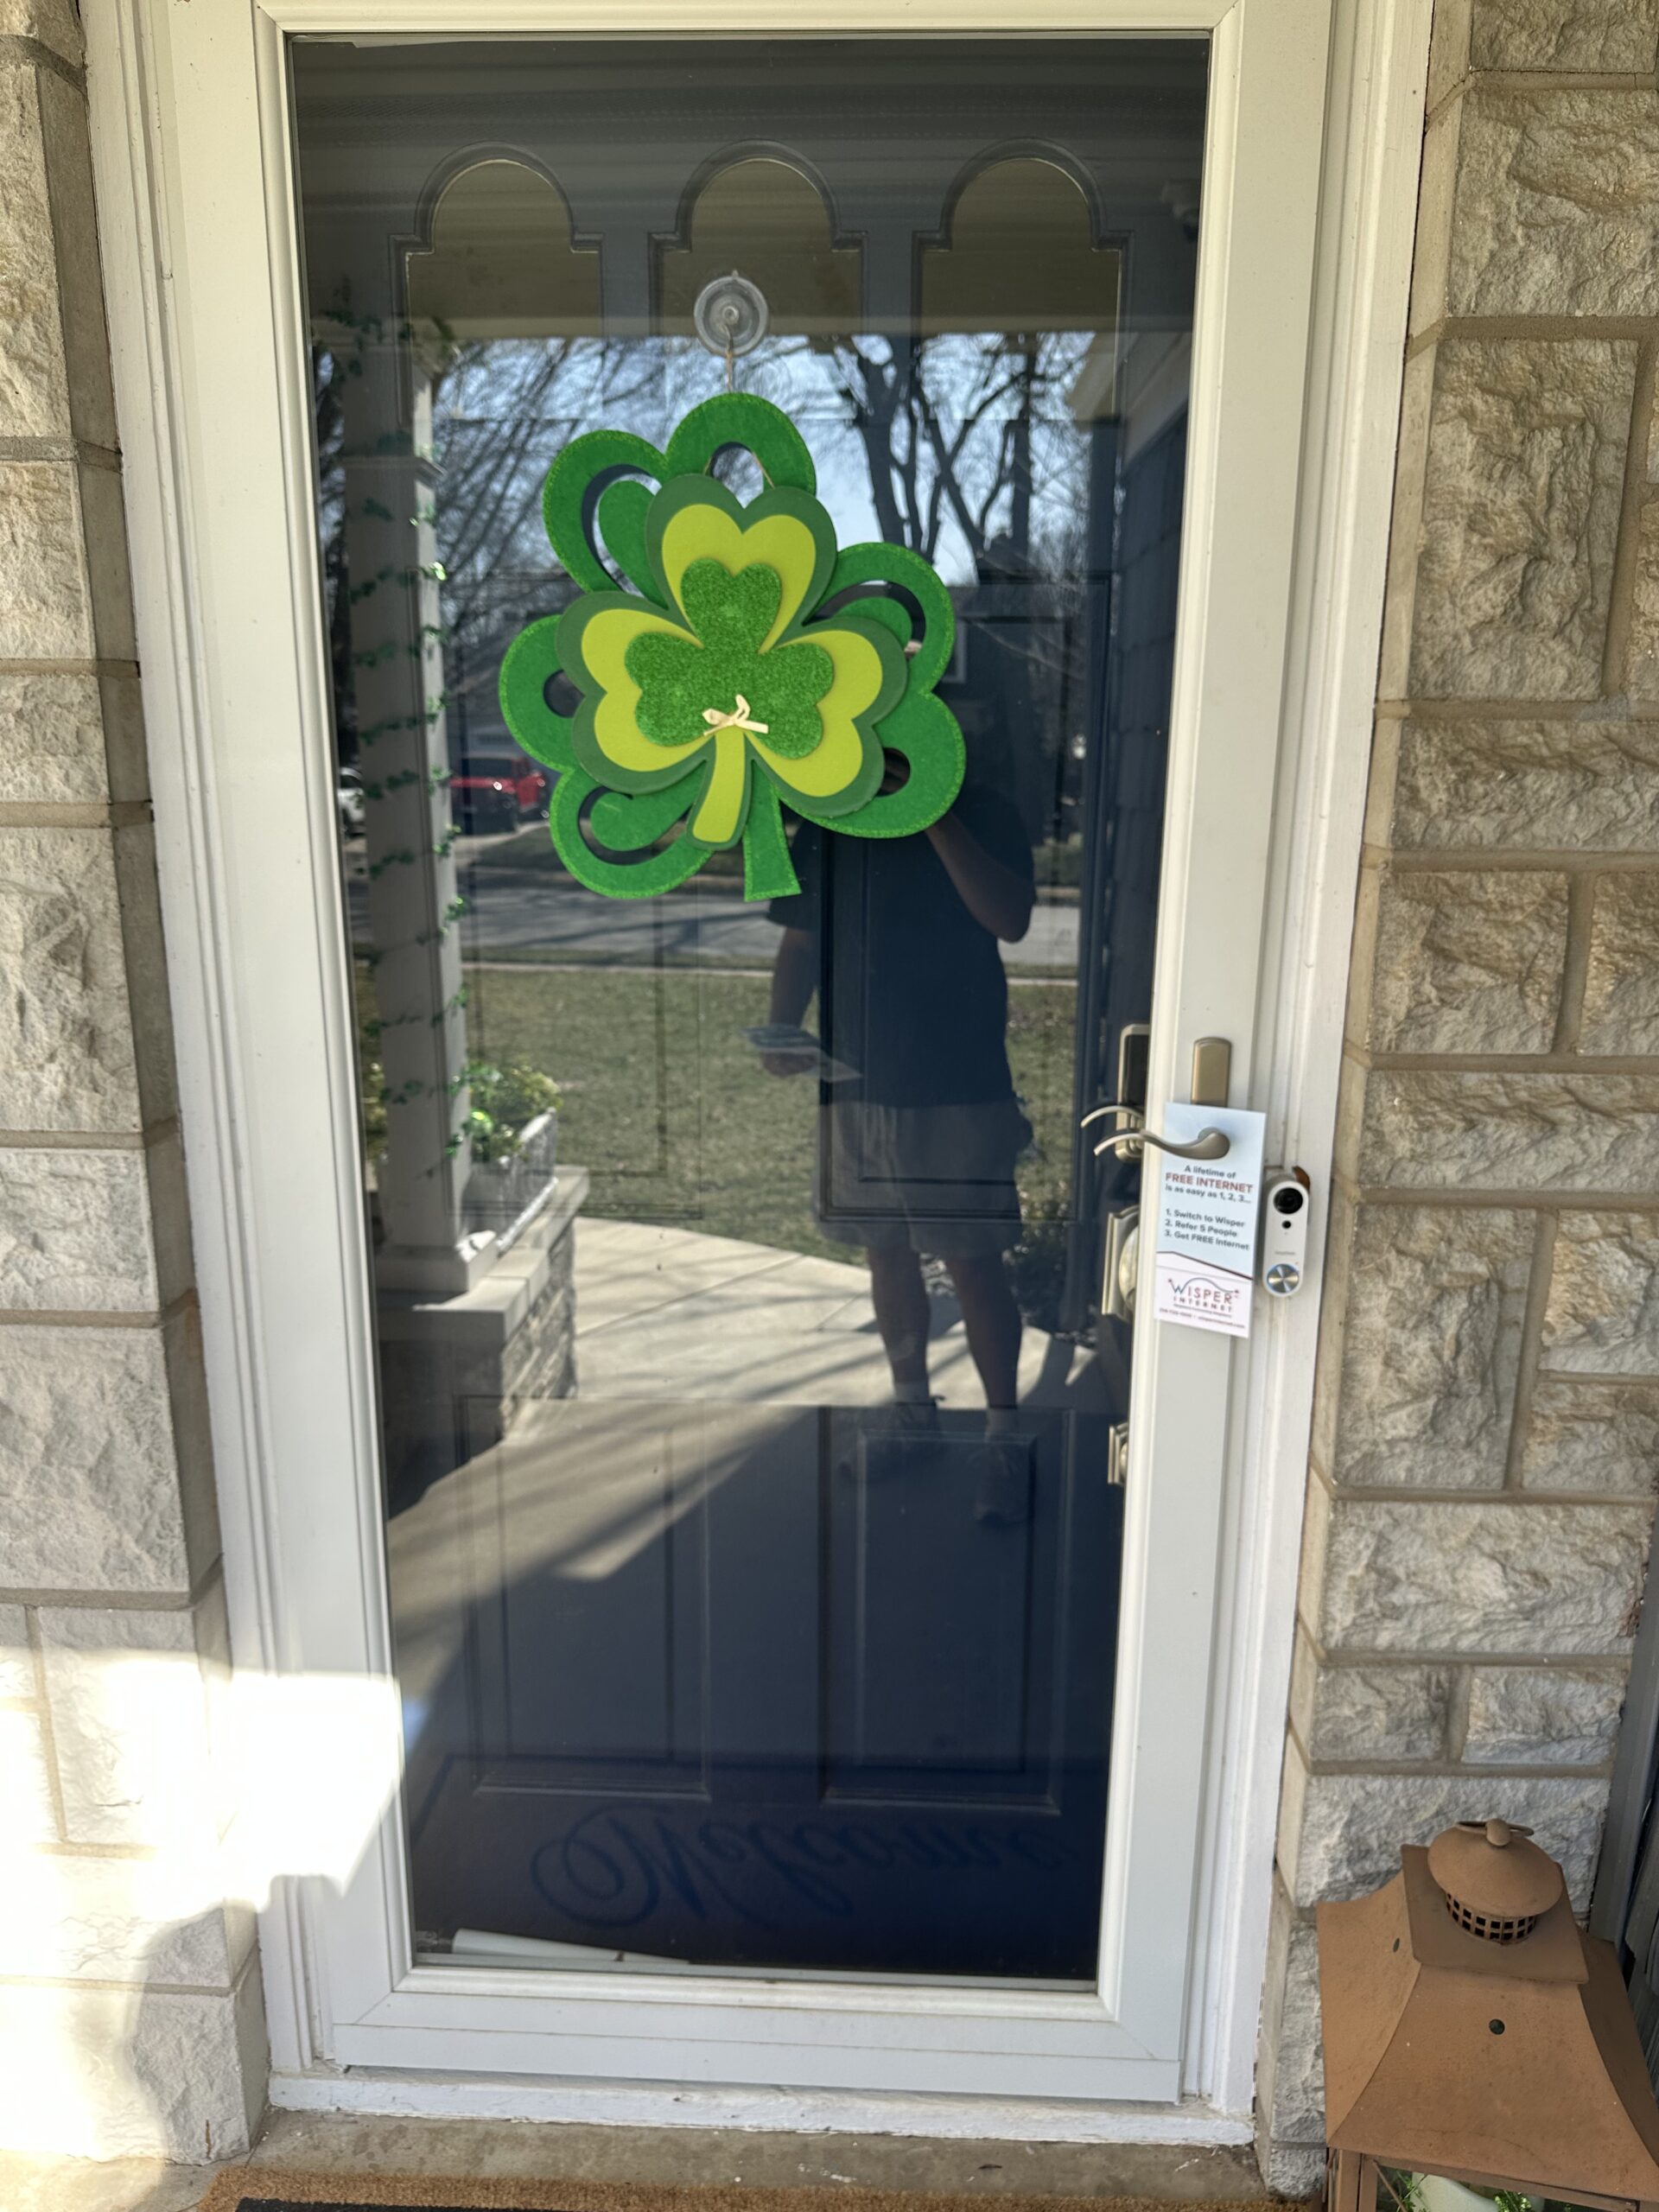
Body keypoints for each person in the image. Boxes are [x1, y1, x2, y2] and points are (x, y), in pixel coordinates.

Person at [762, 762, 1036, 1521]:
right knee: (883, 1250)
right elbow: (801, 939)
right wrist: (782, 1025)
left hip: (957, 1085)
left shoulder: (982, 806)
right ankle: (913, 1412)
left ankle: (1004, 1441)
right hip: (853, 1080)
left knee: (972, 1264)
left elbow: (1009, 918)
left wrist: (934, 814)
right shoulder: (832, 813)